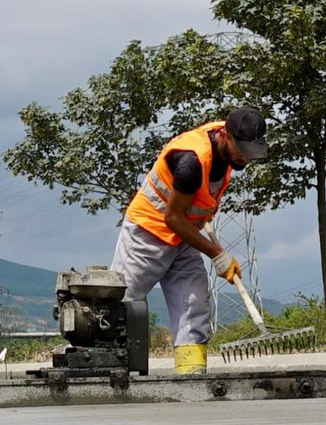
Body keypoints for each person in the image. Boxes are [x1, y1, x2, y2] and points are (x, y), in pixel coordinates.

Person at [111, 108, 268, 374]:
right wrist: (217, 254)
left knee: (193, 305)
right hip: (147, 235)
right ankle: (111, 372)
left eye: (251, 152)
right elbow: (173, 218)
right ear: (224, 136)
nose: (245, 157)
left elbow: (189, 214)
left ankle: (191, 378)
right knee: (122, 305)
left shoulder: (230, 141)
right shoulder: (190, 162)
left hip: (185, 238)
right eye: (241, 149)